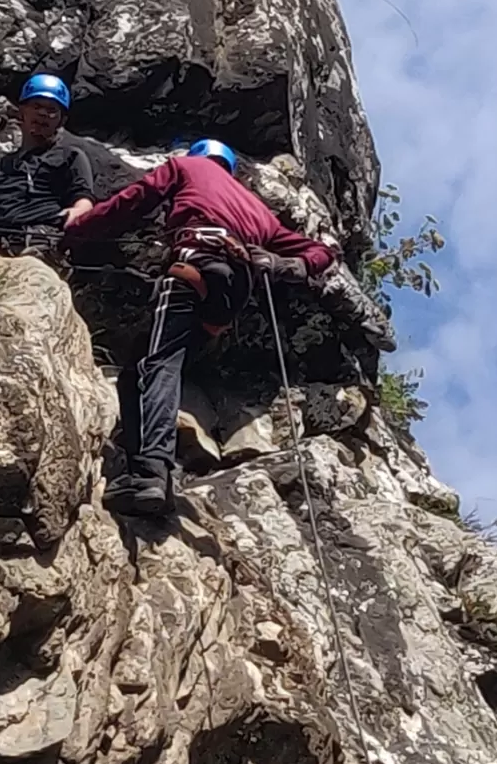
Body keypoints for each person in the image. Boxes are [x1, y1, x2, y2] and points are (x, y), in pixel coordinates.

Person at [62, 138, 336, 516]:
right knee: (139, 370)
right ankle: (149, 467)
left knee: (158, 365)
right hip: (228, 298)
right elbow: (322, 252)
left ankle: (150, 474)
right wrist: (284, 264)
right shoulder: (260, 211)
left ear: (198, 158)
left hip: (196, 265)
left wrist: (79, 227)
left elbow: (137, 199)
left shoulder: (187, 168)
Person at [0, 74, 95, 246]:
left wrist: (77, 213)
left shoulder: (71, 157)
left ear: (61, 121)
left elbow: (83, 200)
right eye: (36, 106)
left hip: (42, 239)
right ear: (22, 111)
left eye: (51, 110)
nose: (43, 113)